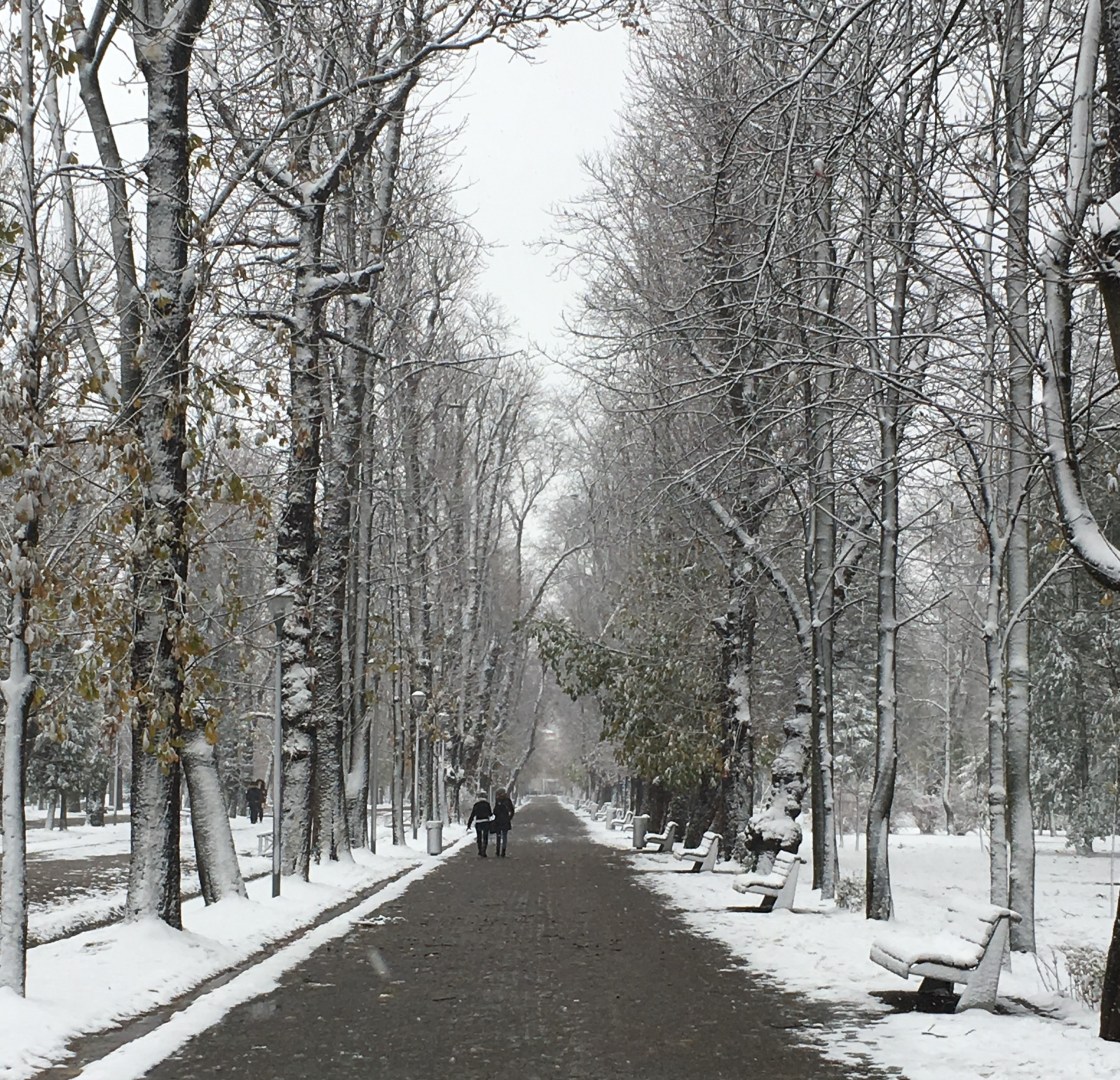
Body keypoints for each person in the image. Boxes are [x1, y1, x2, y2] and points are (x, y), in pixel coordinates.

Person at [466, 790, 493, 856]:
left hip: (478, 822)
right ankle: (484, 850)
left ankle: (480, 850)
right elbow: (490, 814)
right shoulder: (487, 804)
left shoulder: (476, 805)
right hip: (486, 822)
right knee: (485, 837)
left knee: (479, 837)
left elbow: (472, 815)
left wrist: (469, 824)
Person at [492, 788, 515, 857]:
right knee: (504, 836)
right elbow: (512, 810)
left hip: (498, 821)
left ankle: (498, 851)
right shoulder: (507, 800)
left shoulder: (498, 800)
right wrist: (509, 818)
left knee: (498, 836)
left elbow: (495, 811)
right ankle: (503, 851)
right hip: (505, 821)